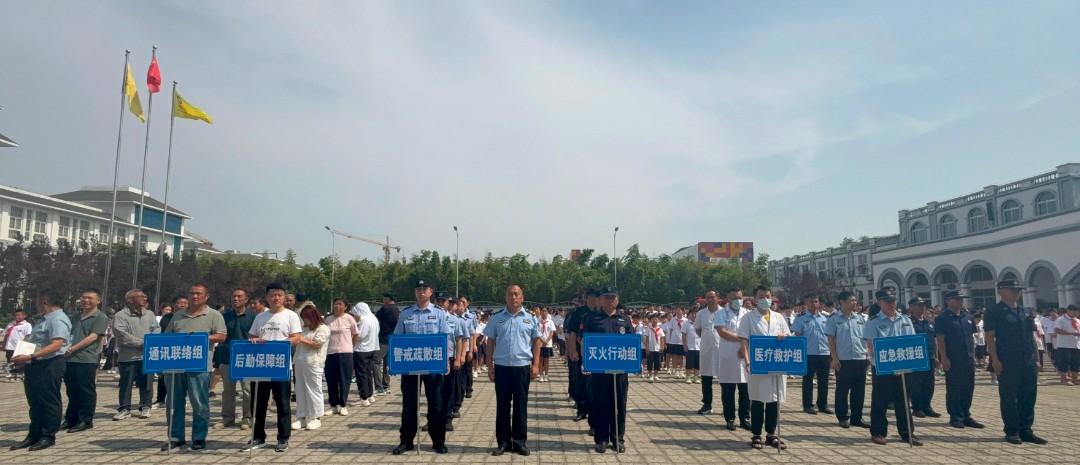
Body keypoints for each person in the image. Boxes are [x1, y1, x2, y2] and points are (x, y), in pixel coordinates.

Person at [392, 279, 453, 455]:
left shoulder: (439, 313)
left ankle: (438, 441)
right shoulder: (406, 314)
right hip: (411, 365)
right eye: (418, 289)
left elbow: (447, 338)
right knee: (409, 404)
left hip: (433, 365)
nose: (421, 292)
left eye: (425, 289)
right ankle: (406, 441)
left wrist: (446, 361)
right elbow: (397, 338)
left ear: (431, 292)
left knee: (436, 404)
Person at [162, 284, 226, 451]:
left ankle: (199, 437)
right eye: (192, 293)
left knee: (199, 404)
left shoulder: (214, 315)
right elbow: (167, 337)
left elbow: (222, 335)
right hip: (176, 365)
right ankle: (175, 437)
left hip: (200, 366)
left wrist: (200, 338)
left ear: (207, 296)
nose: (194, 296)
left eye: (198, 293)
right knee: (174, 403)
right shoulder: (178, 315)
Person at [985, 279, 1047, 445]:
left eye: (1018, 290)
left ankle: (1026, 430)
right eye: (1012, 289)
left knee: (1029, 396)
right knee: (1009, 397)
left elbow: (1031, 336)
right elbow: (990, 337)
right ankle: (1012, 431)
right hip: (1007, 360)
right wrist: (995, 360)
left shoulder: (1026, 311)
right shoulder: (994, 312)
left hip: (1028, 359)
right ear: (1000, 291)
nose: (1016, 292)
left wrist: (1037, 359)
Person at [9, 289, 71, 452]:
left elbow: (57, 344)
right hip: (35, 363)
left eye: (36, 301)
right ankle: (34, 434)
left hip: (49, 364)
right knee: (35, 401)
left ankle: (48, 435)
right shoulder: (44, 319)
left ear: (44, 302)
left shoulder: (57, 319)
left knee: (48, 401)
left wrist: (31, 356)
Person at [242, 283, 302, 453]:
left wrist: (276, 344)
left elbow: (296, 338)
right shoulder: (260, 317)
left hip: (280, 365)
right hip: (261, 366)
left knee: (282, 403)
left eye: (279, 295)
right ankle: (258, 437)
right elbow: (252, 335)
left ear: (284, 297)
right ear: (267, 297)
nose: (276, 298)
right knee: (258, 403)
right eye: (272, 295)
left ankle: (283, 437)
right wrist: (253, 340)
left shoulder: (290, 316)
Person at [484, 285, 542, 456]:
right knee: (502, 405)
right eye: (510, 294)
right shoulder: (497, 318)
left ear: (522, 297)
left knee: (520, 405)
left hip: (521, 366)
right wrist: (490, 366)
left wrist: (536, 364)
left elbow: (537, 342)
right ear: (505, 297)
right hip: (502, 367)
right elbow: (490, 342)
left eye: (516, 294)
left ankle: (519, 442)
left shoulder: (530, 318)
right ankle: (503, 442)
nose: (513, 297)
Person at [864, 289, 921, 446]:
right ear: (879, 303)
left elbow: (912, 342)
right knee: (880, 401)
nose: (892, 304)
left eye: (893, 301)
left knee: (903, 400)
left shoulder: (905, 320)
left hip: (903, 366)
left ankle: (907, 432)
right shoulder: (873, 322)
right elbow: (871, 345)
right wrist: (889, 362)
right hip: (883, 367)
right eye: (888, 301)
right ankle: (878, 432)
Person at [737, 285, 790, 450]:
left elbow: (788, 335)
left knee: (774, 399)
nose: (765, 299)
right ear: (754, 299)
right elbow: (744, 341)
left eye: (767, 296)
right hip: (758, 363)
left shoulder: (778, 317)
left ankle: (771, 434)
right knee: (758, 399)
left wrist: (784, 335)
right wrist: (747, 361)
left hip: (776, 364)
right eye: (761, 297)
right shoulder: (748, 318)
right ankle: (756, 434)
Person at [582, 286, 633, 454]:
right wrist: (585, 362)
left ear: (617, 300)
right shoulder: (592, 319)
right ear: (601, 300)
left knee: (619, 404)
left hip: (620, 371)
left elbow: (632, 343)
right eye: (606, 297)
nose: (610, 301)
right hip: (599, 370)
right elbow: (585, 342)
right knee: (600, 404)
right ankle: (601, 439)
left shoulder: (625, 319)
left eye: (613, 298)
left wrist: (636, 363)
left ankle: (618, 439)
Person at [934, 290, 985, 429]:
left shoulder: (967, 317)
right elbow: (940, 339)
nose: (960, 301)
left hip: (968, 357)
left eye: (961, 299)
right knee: (954, 388)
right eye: (957, 299)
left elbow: (971, 337)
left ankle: (966, 415)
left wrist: (973, 355)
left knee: (968, 387)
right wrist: (944, 358)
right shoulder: (943, 318)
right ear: (948, 301)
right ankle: (956, 416)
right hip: (953, 358)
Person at [61, 289, 108, 434]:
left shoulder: (100, 317)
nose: (86, 301)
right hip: (70, 358)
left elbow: (93, 337)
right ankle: (71, 418)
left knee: (86, 390)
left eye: (90, 298)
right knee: (72, 390)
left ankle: (85, 420)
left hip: (86, 358)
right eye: (83, 298)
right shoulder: (74, 317)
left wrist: (73, 348)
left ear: (98, 300)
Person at [112, 289, 161, 421]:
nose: (144, 299)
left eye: (145, 296)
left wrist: (151, 341)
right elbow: (121, 334)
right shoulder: (121, 315)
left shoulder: (149, 314)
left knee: (147, 383)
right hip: (128, 357)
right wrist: (143, 343)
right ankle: (124, 408)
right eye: (141, 297)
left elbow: (156, 329)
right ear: (130, 299)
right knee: (126, 384)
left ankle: (145, 406)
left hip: (147, 356)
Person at [213, 288, 256, 430]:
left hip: (247, 359)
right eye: (233, 296)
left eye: (239, 296)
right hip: (227, 357)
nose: (236, 299)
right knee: (228, 390)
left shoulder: (254, 317)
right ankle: (227, 417)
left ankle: (247, 418)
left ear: (246, 299)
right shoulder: (224, 317)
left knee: (247, 390)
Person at [826, 291, 869, 429]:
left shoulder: (861, 318)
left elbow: (867, 338)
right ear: (842, 302)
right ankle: (843, 417)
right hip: (843, 360)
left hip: (860, 358)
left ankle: (857, 417)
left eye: (855, 300)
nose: (854, 303)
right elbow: (830, 339)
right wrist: (834, 358)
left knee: (859, 390)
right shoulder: (833, 319)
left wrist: (868, 355)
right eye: (851, 300)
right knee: (842, 389)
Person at [716, 289, 751, 430]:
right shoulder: (721, 313)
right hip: (728, 355)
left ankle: (745, 418)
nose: (738, 300)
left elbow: (752, 332)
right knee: (728, 389)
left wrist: (744, 346)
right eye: (735, 298)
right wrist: (742, 340)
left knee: (745, 389)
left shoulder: (747, 313)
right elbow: (722, 332)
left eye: (740, 297)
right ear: (728, 299)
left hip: (745, 354)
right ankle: (730, 418)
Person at [792, 293, 832, 415]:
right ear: (806, 303)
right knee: (808, 380)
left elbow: (831, 336)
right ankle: (808, 405)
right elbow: (798, 337)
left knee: (823, 380)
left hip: (824, 352)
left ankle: (822, 405)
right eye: (811, 302)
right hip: (808, 353)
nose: (814, 304)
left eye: (816, 301)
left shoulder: (826, 317)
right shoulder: (800, 318)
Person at [293, 302, 330, 431]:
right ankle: (302, 416)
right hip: (300, 361)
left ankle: (316, 417)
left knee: (313, 389)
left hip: (314, 363)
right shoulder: (304, 329)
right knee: (300, 389)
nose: (305, 321)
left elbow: (317, 344)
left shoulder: (323, 328)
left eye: (306, 318)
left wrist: (301, 339)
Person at [565, 288, 599, 425]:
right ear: (589, 298)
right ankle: (581, 410)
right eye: (595, 297)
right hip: (580, 354)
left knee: (594, 385)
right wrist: (573, 351)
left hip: (597, 355)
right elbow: (572, 333)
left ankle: (594, 415)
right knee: (580, 383)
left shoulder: (600, 313)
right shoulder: (579, 313)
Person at [906, 297, 941, 418]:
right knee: (916, 383)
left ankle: (927, 406)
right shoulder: (908, 322)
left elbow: (934, 340)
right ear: (911, 307)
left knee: (929, 383)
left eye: (923, 305)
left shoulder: (929, 322)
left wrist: (936, 356)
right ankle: (917, 407)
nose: (922, 307)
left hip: (929, 356)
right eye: (919, 305)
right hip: (916, 357)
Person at [324, 298, 359, 415]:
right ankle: (333, 405)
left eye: (340, 304)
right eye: (335, 304)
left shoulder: (349, 318)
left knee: (344, 379)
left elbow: (356, 334)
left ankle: (343, 405)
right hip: (331, 352)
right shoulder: (328, 320)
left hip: (345, 353)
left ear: (345, 307)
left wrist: (350, 346)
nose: (337, 306)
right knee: (331, 379)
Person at [694, 291, 722, 416]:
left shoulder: (724, 312)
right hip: (706, 348)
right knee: (706, 377)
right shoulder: (701, 313)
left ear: (718, 298)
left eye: (712, 297)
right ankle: (707, 404)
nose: (710, 299)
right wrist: (708, 338)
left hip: (722, 349)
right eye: (708, 298)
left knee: (725, 379)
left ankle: (727, 405)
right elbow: (698, 329)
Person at [351, 301, 380, 407]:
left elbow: (360, 335)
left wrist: (352, 334)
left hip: (362, 349)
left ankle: (364, 398)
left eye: (356, 314)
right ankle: (370, 394)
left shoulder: (364, 320)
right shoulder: (373, 318)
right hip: (372, 348)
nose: (355, 316)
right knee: (368, 372)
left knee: (361, 374)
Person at [374, 292, 399, 396]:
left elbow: (376, 318)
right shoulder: (397, 309)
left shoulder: (385, 308)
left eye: (384, 298)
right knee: (387, 364)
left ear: (387, 298)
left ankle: (379, 387)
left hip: (383, 339)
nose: (383, 300)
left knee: (375, 361)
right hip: (392, 340)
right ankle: (386, 385)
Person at [1053, 305, 1080, 385]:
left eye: (1077, 312)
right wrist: (1071, 333)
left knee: (1075, 362)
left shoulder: (1077, 320)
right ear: (1068, 311)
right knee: (1064, 362)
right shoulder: (1061, 319)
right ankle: (1064, 379)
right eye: (1074, 312)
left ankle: (1075, 379)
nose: (1076, 314)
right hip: (1064, 345)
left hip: (1076, 345)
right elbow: (1057, 330)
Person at [3, 309, 33, 382]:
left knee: (19, 362)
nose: (17, 317)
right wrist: (4, 344)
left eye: (19, 315)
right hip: (9, 347)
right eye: (15, 315)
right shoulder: (11, 324)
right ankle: (12, 376)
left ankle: (20, 376)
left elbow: (27, 336)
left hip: (19, 347)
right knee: (10, 362)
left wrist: (24, 346)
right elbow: (6, 335)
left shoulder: (27, 325)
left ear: (24, 316)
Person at [662, 308, 686, 379]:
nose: (678, 311)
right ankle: (675, 371)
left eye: (680, 310)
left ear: (682, 311)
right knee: (675, 356)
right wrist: (670, 340)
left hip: (682, 340)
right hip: (674, 340)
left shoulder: (685, 320)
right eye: (677, 310)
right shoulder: (673, 320)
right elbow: (671, 330)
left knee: (681, 356)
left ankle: (681, 370)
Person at [682, 309, 701, 384]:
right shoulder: (686, 324)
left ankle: (696, 377)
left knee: (697, 363)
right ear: (689, 315)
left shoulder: (699, 323)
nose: (694, 315)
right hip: (690, 346)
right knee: (689, 362)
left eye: (695, 314)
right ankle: (688, 377)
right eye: (692, 313)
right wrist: (685, 345)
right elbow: (683, 335)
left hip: (699, 346)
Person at [537, 307, 556, 382]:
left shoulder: (550, 322)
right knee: (540, 360)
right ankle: (541, 375)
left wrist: (546, 341)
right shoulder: (537, 321)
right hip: (540, 343)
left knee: (546, 360)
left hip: (548, 344)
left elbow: (551, 332)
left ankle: (546, 375)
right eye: (542, 311)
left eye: (545, 311)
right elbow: (537, 332)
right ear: (540, 312)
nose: (544, 312)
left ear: (547, 312)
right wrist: (542, 340)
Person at [645, 315, 665, 381]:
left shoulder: (660, 329)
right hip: (650, 348)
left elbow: (661, 339)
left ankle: (656, 376)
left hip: (657, 348)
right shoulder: (648, 329)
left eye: (656, 319)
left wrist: (662, 346)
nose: (654, 320)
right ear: (650, 320)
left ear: (658, 320)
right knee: (650, 362)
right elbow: (647, 339)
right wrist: (647, 347)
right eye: (653, 319)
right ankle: (650, 376)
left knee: (657, 362)